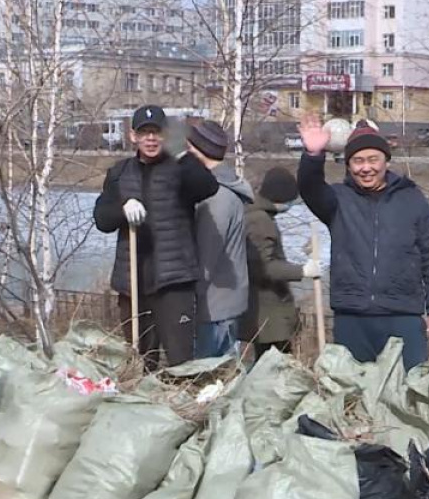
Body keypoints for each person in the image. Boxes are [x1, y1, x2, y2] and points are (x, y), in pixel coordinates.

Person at [296, 114, 429, 370]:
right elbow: (309, 188)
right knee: (352, 394)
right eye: (357, 161)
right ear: (348, 165)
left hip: (403, 315)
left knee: (407, 394)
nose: (365, 168)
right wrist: (313, 156)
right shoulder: (338, 201)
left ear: (385, 161)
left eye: (372, 159)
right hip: (352, 315)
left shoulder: (411, 199)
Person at [93, 105, 219, 371]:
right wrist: (121, 209)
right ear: (133, 136)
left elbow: (207, 187)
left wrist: (183, 153)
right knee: (139, 363)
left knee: (181, 362)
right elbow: (102, 219)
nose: (151, 138)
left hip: (174, 282)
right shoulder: (118, 173)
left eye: (157, 132)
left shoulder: (180, 169)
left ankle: (182, 406)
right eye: (144, 132)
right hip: (133, 284)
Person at [187, 120, 253, 358]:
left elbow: (207, 255)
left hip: (215, 307)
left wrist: (189, 293)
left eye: (189, 148)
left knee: (211, 379)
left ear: (198, 151)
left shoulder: (216, 197)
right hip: (224, 303)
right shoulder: (226, 189)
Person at [241, 166, 321, 359]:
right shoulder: (260, 220)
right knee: (273, 367)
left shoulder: (259, 215)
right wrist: (302, 271)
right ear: (280, 197)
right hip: (269, 314)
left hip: (269, 313)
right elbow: (264, 266)